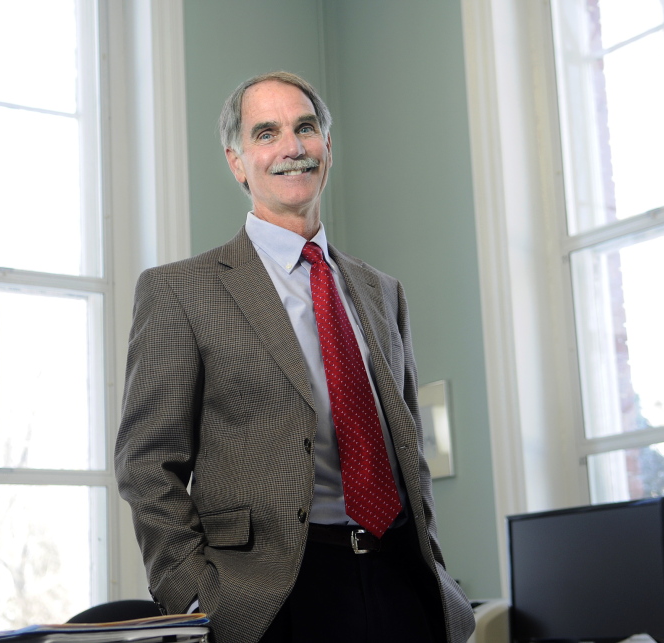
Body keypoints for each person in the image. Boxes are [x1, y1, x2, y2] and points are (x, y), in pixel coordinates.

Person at [115, 71, 474, 643]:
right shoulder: (181, 291)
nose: (292, 147)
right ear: (237, 161)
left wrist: (433, 563)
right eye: (267, 133)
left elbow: (409, 447)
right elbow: (147, 464)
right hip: (272, 601)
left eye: (305, 128)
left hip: (403, 584)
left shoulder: (382, 291)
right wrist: (193, 596)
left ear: (327, 148)